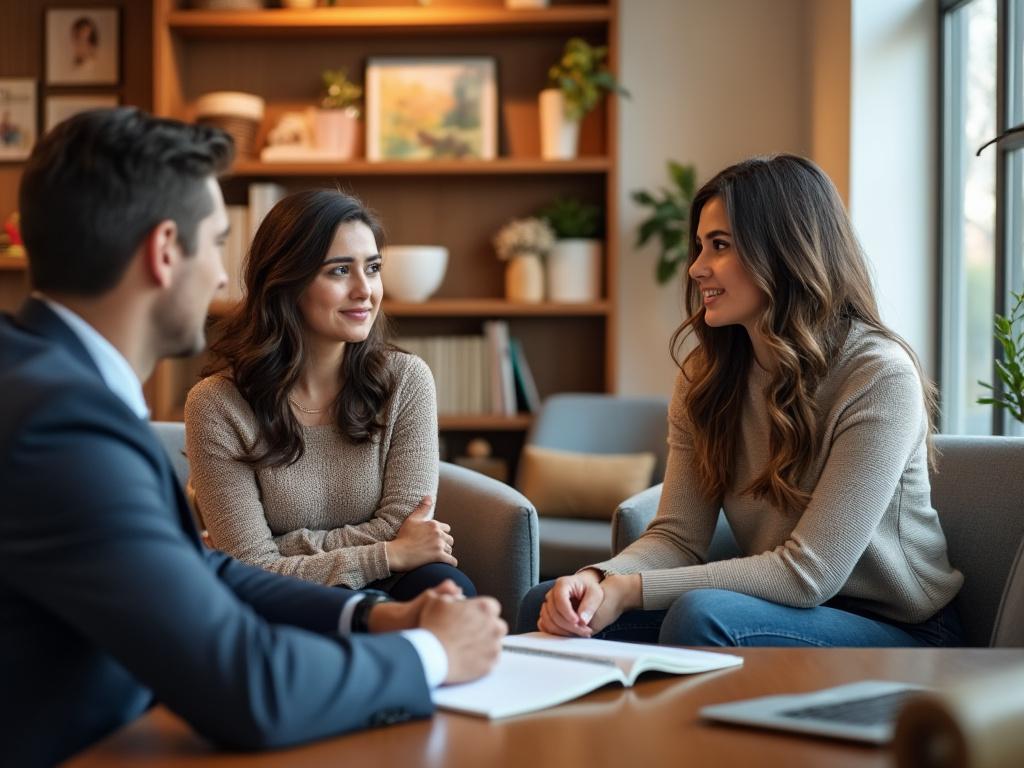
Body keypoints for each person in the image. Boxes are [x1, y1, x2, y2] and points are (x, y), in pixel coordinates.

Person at [0, 107, 506, 768]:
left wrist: (374, 617)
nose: (219, 276)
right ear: (163, 252)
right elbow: (249, 688)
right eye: (215, 243)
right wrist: (433, 653)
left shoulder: (44, 381)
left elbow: (199, 564)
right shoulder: (62, 423)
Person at [519, 154, 965, 648]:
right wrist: (600, 579)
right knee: (542, 604)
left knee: (702, 616)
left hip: (899, 628)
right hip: (780, 609)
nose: (696, 268)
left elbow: (810, 574)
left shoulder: (878, 375)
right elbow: (676, 538)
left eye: (720, 246)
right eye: (699, 246)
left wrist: (635, 590)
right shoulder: (706, 377)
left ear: (785, 249)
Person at [184, 189, 474, 600]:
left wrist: (277, 551)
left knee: (448, 589)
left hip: (387, 579)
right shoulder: (216, 404)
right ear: (286, 282)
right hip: (276, 596)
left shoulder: (406, 380)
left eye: (372, 268)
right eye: (339, 271)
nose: (365, 291)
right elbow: (249, 567)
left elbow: (403, 524)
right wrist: (386, 554)